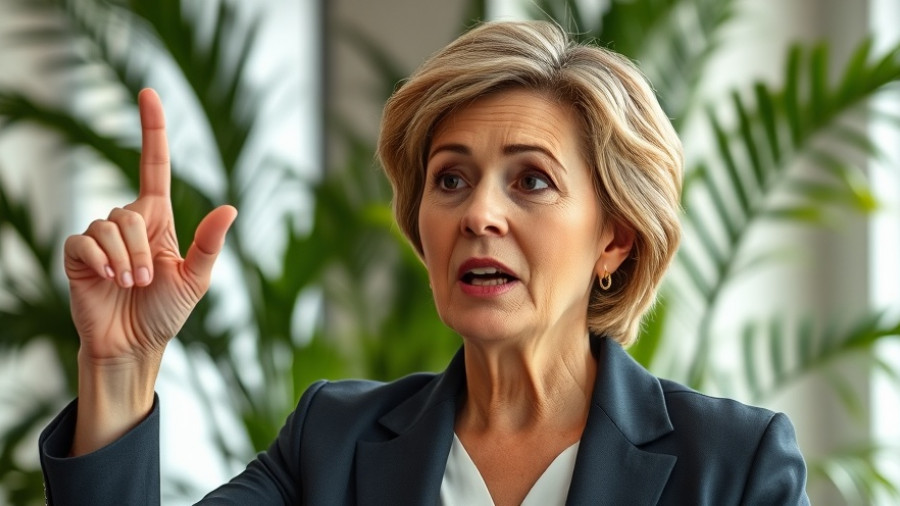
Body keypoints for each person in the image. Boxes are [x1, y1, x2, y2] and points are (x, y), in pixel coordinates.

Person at [38, 20, 809, 505]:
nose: (478, 213)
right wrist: (119, 367)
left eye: (531, 179)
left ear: (616, 238)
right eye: (451, 179)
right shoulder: (330, 444)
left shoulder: (733, 468)